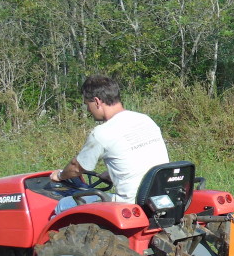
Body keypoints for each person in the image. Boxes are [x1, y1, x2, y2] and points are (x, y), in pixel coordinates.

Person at [51, 75, 169, 214]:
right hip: (159, 198)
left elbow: (76, 167)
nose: (88, 110)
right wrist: (112, 174)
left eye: (87, 104)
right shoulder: (145, 120)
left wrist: (59, 176)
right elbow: (144, 157)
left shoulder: (102, 133)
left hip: (131, 204)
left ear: (97, 101)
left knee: (63, 204)